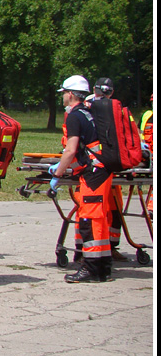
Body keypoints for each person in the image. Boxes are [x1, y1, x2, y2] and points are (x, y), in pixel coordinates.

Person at [50, 75, 113, 282]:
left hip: (93, 174)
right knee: (99, 220)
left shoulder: (76, 116)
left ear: (70, 94)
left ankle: (91, 269)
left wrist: (57, 174)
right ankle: (102, 266)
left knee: (89, 220)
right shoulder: (88, 112)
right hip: (101, 171)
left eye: (64, 94)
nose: (62, 98)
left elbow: (70, 150)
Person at [88, 77, 127, 262]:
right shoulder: (85, 109)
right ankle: (88, 253)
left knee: (114, 211)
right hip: (93, 169)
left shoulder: (115, 109)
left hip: (108, 166)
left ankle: (111, 247)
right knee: (92, 213)